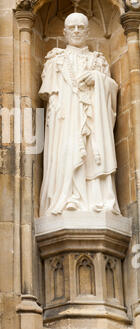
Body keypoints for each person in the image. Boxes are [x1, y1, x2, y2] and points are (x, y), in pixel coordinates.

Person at [39, 12, 120, 216]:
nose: (76, 31)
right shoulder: (55, 60)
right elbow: (51, 98)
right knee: (67, 153)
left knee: (93, 153)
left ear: (87, 31)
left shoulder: (98, 61)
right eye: (72, 27)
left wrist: (98, 80)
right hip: (66, 121)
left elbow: (112, 92)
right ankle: (67, 198)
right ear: (64, 32)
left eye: (80, 27)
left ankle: (97, 200)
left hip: (94, 120)